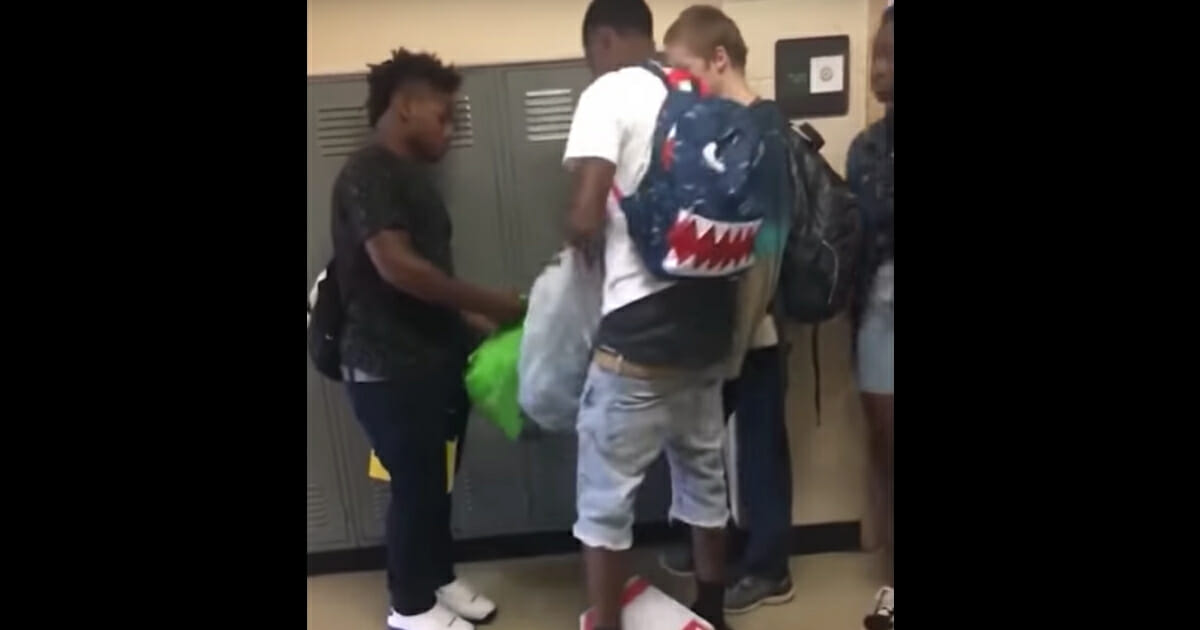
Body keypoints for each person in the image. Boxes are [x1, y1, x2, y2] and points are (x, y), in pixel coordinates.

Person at [330, 49, 523, 630]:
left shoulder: (409, 179)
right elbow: (397, 268)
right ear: (406, 106)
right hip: (390, 370)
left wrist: (474, 325)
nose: (451, 128)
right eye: (444, 116)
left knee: (434, 485)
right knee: (415, 489)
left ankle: (435, 579)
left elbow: (427, 280)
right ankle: (409, 609)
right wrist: (494, 302)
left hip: (434, 363)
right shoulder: (370, 172)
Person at [563, 1, 737, 629]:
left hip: (635, 337)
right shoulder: (694, 87)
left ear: (604, 39)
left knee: (604, 501)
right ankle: (712, 608)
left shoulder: (608, 93)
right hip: (708, 329)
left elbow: (585, 216)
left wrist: (573, 240)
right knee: (703, 478)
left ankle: (605, 624)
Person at [657, 5, 797, 616]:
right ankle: (719, 544)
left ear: (719, 60)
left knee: (758, 451)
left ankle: (768, 567)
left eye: (687, 72)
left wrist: (731, 349)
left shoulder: (759, 131)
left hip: (751, 333)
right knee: (710, 449)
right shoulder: (725, 128)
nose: (682, 88)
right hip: (725, 333)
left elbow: (765, 252)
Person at [847, 6, 894, 628]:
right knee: (888, 454)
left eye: (892, 57)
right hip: (880, 309)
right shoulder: (865, 148)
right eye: (876, 57)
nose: (879, 70)